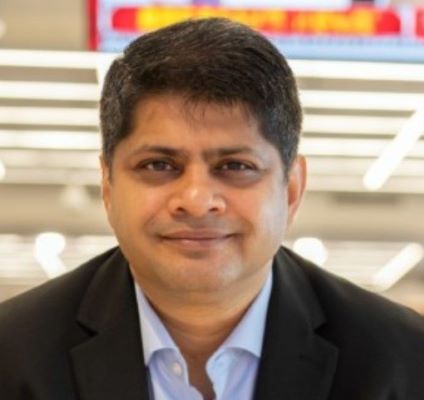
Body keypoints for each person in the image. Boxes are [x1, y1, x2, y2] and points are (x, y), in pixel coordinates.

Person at [0, 17, 423, 400]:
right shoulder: (13, 354)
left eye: (235, 166)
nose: (197, 200)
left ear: (291, 189)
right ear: (108, 185)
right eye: (158, 165)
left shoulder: (403, 359)